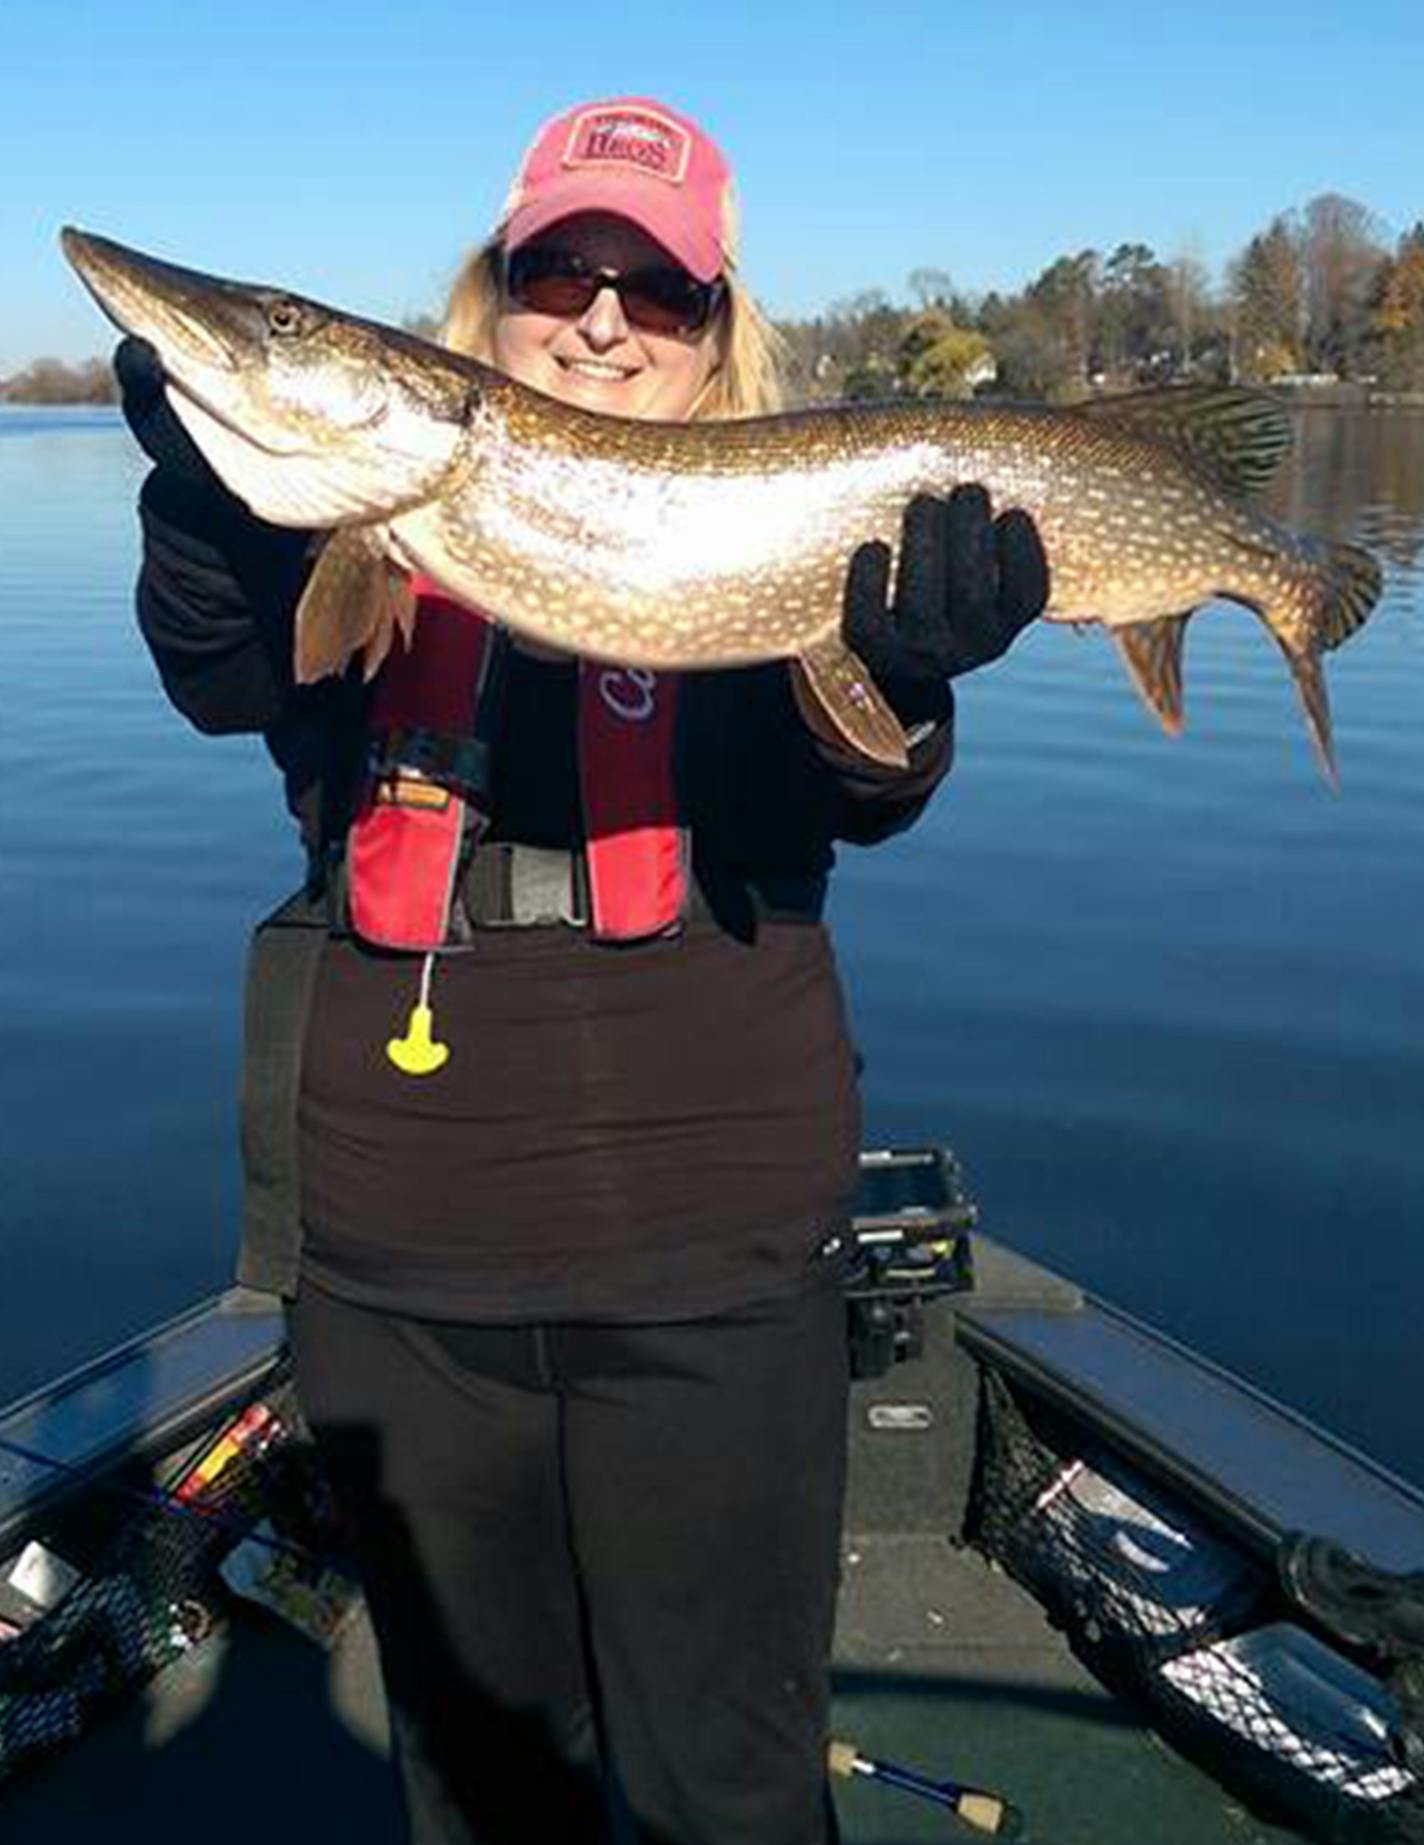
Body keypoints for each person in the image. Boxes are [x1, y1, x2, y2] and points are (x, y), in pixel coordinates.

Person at [118, 95, 1046, 1845]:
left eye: (660, 289)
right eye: (562, 268)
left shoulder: (788, 518)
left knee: (726, 1787)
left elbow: (846, 793)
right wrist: (204, 502)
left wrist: (911, 674)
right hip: (407, 1262)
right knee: (479, 1790)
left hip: (714, 1248)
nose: (604, 316)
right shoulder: (375, 503)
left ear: (715, 333)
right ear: (498, 287)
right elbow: (229, 680)